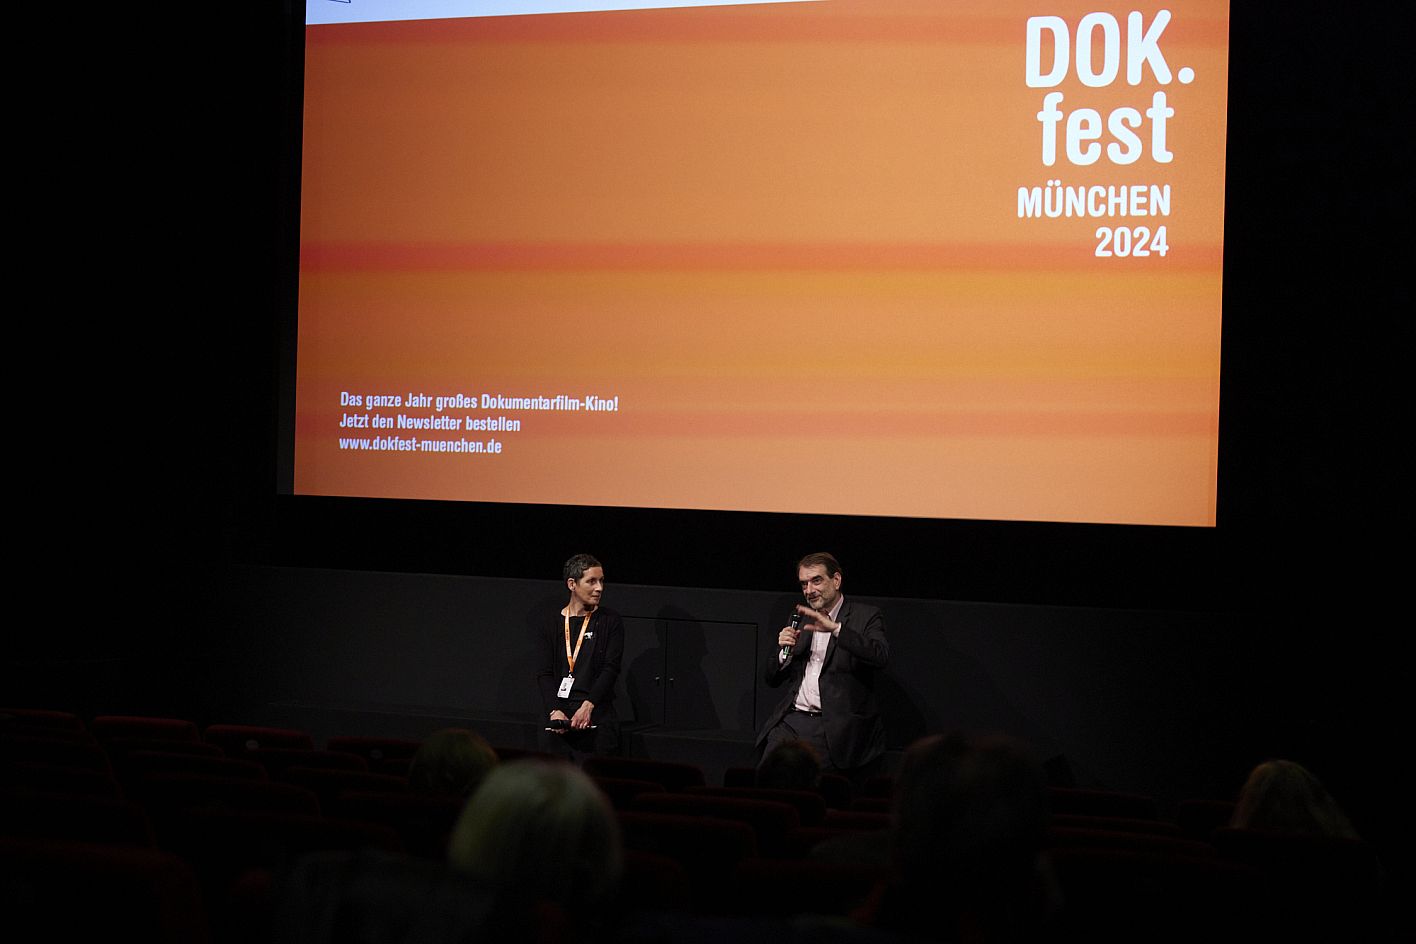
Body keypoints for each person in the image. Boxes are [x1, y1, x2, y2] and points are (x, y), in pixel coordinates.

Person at [756, 552, 889, 784]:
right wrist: (783, 652)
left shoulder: (865, 615)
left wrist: (836, 629)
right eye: (804, 584)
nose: (809, 590)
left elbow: (879, 656)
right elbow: (772, 678)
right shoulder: (800, 617)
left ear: (836, 580)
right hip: (791, 722)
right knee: (767, 782)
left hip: (832, 726)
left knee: (812, 788)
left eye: (816, 580)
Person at [537, 553, 623, 760]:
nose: (599, 588)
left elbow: (610, 668)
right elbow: (544, 673)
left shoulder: (610, 621)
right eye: (591, 581)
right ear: (572, 584)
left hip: (595, 719)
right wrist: (555, 711)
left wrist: (588, 706)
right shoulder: (551, 622)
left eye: (601, 581)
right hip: (559, 719)